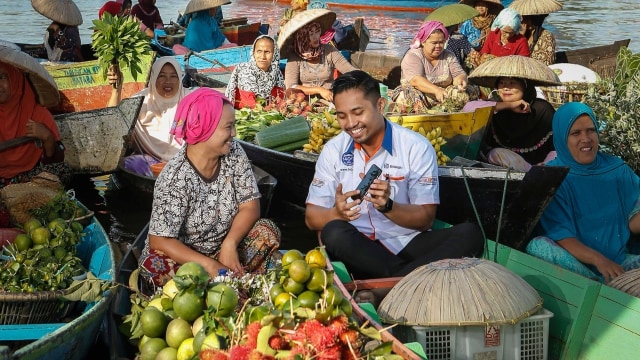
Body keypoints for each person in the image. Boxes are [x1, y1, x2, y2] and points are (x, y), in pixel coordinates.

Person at [305, 70, 484, 280]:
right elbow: (311, 218)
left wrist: (389, 206)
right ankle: (408, 280)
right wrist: (337, 213)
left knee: (470, 234)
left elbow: (425, 219)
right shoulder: (333, 150)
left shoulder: (416, 147)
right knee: (333, 231)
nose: (351, 123)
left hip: (405, 242)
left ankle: (388, 285)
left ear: (380, 106)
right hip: (357, 247)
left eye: (358, 112)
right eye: (342, 116)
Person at [138, 88, 282, 287]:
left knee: (267, 230)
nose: (234, 133)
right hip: (188, 258)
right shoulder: (175, 178)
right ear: (204, 128)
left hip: (224, 247)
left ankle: (230, 277)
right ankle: (232, 280)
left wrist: (230, 243)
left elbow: (250, 205)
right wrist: (209, 265)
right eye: (228, 127)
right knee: (154, 266)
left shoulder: (234, 152)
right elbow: (159, 240)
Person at [526, 102, 640, 283]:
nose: (586, 139)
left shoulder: (617, 169)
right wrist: (599, 260)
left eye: (591, 130)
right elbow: (561, 235)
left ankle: (612, 286)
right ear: (562, 138)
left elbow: (632, 222)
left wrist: (609, 264)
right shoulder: (552, 177)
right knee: (538, 247)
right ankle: (598, 288)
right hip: (576, 267)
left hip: (619, 264)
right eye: (575, 133)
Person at [466, 55, 558, 171]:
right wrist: (509, 105)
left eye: (512, 83)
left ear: (525, 86)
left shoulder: (542, 109)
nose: (506, 88)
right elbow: (468, 108)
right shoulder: (495, 106)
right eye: (502, 83)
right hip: (505, 167)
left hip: (542, 167)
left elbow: (555, 146)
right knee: (496, 153)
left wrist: (546, 164)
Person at [107, 57, 195, 176]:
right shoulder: (141, 101)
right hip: (152, 163)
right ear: (153, 78)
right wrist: (116, 90)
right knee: (131, 163)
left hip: (186, 162)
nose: (168, 81)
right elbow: (112, 121)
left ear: (180, 78)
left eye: (173, 76)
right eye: (162, 76)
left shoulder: (191, 99)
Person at [0, 56, 68, 188]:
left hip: (31, 180)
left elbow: (57, 161)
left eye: (2, 77)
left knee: (63, 171)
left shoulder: (38, 114)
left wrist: (47, 137)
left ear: (15, 81)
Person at [390, 21, 476, 113]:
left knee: (469, 91)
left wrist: (461, 81)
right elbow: (416, 81)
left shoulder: (448, 55)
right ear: (423, 42)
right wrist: (436, 90)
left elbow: (458, 73)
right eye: (434, 43)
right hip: (419, 93)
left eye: (441, 42)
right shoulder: (413, 56)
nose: (438, 46)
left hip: (443, 95)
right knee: (409, 96)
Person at [279, 9, 357, 102]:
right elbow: (291, 87)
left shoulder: (329, 50)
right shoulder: (294, 57)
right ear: (302, 36)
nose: (316, 37)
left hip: (330, 98)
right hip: (305, 101)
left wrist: (368, 80)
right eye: (311, 34)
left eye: (317, 31)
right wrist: (319, 90)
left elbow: (349, 70)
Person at [224, 35, 285, 109]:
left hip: (268, 111)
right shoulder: (245, 71)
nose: (262, 57)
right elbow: (250, 103)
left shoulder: (276, 73)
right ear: (253, 53)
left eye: (267, 52)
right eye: (259, 51)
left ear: (274, 54)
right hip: (246, 111)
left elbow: (280, 98)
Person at [509, 0, 562, 65]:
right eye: (522, 18)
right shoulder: (520, 34)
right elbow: (510, 55)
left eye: (527, 18)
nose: (523, 22)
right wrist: (520, 37)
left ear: (535, 20)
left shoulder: (546, 36)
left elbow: (546, 63)